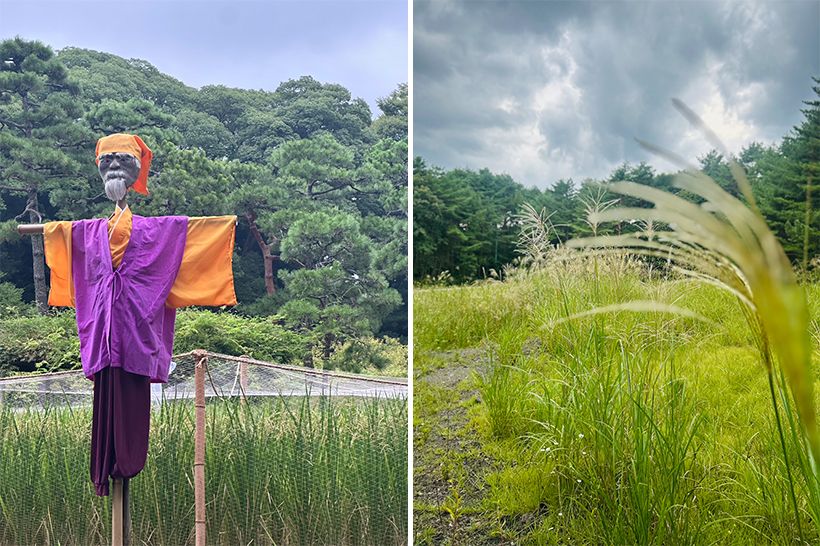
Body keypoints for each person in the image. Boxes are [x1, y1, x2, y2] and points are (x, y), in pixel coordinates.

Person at [42, 133, 237, 496]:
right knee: (106, 409)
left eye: (123, 159)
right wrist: (58, 233)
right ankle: (107, 467)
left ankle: (126, 464)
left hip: (138, 342)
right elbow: (66, 251)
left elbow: (193, 247)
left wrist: (220, 228)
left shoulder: (159, 233)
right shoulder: (85, 234)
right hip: (102, 344)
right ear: (97, 165)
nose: (114, 166)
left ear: (138, 168)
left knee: (132, 414)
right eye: (107, 160)